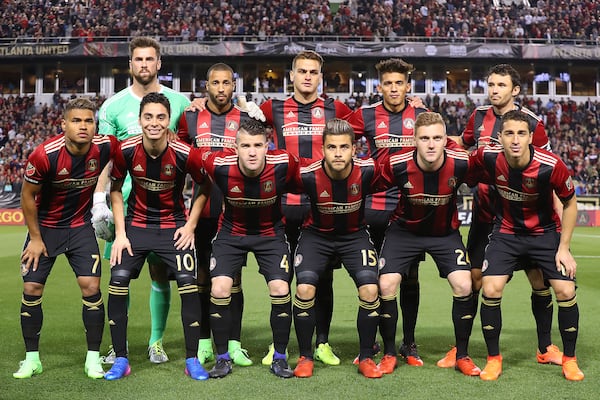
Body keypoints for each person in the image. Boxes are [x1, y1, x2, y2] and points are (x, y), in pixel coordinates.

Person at [439, 63, 562, 368]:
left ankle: (545, 347)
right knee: (475, 280)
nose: (494, 90)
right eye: (491, 84)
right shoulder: (479, 116)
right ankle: (462, 349)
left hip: (527, 216)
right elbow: (462, 146)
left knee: (538, 280)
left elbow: (549, 170)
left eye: (500, 85)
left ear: (515, 90)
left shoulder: (533, 123)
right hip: (485, 214)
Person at [93, 36, 192, 364]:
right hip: (123, 206)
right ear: (131, 64)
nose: (145, 65)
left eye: (150, 59)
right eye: (139, 59)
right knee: (118, 274)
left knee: (159, 274)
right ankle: (115, 345)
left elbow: (189, 149)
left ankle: (156, 342)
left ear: (159, 63)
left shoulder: (180, 103)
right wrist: (98, 200)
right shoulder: (112, 106)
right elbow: (106, 159)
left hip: (164, 209)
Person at [470, 110, 583, 381]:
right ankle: (493, 359)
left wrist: (564, 247)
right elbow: (461, 169)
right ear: (499, 137)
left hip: (544, 234)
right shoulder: (487, 157)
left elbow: (569, 203)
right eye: (509, 133)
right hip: (506, 233)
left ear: (531, 137)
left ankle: (569, 359)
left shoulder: (550, 164)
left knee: (565, 289)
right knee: (491, 287)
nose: (515, 139)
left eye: (521, 133)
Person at [104, 92, 209, 381]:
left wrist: (189, 226)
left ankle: (192, 359)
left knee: (189, 284)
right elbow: (114, 190)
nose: (154, 123)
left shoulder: (185, 154)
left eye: (160, 117)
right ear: (140, 120)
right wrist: (120, 235)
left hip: (172, 227)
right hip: (135, 227)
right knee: (118, 280)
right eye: (148, 117)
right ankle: (121, 358)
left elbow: (204, 187)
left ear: (167, 121)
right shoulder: (125, 150)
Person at [260, 50, 353, 366]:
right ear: (292, 75)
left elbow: (367, 127)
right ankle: (279, 345)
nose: (308, 77)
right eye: (302, 71)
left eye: (314, 72)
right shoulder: (273, 108)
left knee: (321, 278)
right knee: (282, 278)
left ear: (321, 77)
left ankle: (322, 343)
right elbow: (236, 121)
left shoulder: (335, 108)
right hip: (283, 205)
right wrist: (200, 105)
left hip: (322, 208)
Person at [14, 98, 118, 379]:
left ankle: (93, 359)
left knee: (91, 287)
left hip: (80, 226)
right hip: (46, 228)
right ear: (63, 124)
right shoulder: (44, 154)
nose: (83, 126)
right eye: (76, 120)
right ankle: (32, 359)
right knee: (32, 289)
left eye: (88, 121)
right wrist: (35, 239)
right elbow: (27, 196)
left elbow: (132, 148)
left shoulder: (106, 146)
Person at [376, 112, 480, 377]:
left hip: (443, 233)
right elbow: (363, 177)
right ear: (415, 140)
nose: (431, 144)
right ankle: (389, 352)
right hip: (404, 231)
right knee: (386, 284)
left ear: (446, 140)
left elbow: (494, 168)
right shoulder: (397, 163)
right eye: (424, 138)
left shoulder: (461, 163)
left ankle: (463, 354)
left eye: (436, 138)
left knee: (464, 284)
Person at [200, 119, 300, 379]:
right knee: (220, 288)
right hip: (232, 233)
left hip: (270, 233)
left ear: (268, 146)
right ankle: (222, 358)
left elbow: (311, 179)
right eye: (246, 145)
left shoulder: (284, 163)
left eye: (258, 145)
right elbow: (188, 158)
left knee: (280, 288)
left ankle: (279, 356)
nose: (252, 152)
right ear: (235, 147)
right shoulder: (218, 165)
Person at [348, 58, 430, 366]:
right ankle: (372, 344)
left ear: (408, 85)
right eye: (388, 83)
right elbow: (336, 133)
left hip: (410, 208)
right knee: (373, 278)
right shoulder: (366, 115)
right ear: (379, 86)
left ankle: (408, 343)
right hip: (372, 207)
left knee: (409, 278)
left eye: (399, 83)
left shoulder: (421, 114)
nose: (394, 88)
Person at [177, 62, 256, 367]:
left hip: (236, 213)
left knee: (232, 279)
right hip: (202, 211)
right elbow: (180, 155)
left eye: (226, 83)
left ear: (233, 87)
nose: (221, 88)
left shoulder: (245, 118)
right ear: (206, 86)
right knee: (201, 279)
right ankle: (204, 342)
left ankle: (234, 343)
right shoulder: (192, 117)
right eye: (215, 83)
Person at [292, 119, 382, 379]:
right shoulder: (307, 174)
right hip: (316, 235)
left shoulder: (367, 170)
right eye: (332, 147)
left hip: (354, 235)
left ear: (355, 149)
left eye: (344, 147)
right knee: (304, 288)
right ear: (323, 149)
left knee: (370, 289)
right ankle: (306, 356)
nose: (338, 153)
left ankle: (365, 356)